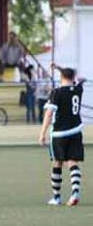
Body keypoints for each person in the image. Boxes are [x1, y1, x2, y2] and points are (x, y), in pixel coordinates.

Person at [39, 66, 85, 206]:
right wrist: (59, 68)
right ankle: (75, 192)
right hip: (76, 131)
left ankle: (56, 197)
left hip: (59, 133)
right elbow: (77, 78)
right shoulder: (78, 89)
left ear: (61, 77)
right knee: (72, 162)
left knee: (57, 163)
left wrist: (42, 133)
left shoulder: (56, 92)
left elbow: (49, 114)